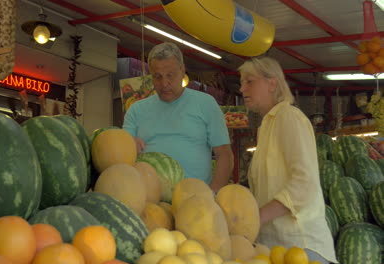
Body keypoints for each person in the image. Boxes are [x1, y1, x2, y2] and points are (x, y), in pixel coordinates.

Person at [238, 57, 337, 264]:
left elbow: (304, 183)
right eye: (242, 82)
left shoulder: (289, 118)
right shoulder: (266, 126)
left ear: (272, 83)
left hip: (301, 246)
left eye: (249, 81)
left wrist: (256, 218)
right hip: (276, 247)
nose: (241, 88)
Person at [123, 42, 233, 192]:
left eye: (170, 75)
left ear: (182, 71)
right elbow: (121, 154)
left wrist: (212, 194)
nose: (164, 83)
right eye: (157, 77)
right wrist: (129, 145)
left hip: (196, 199)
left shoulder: (206, 104)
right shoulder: (136, 110)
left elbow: (224, 155)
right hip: (150, 201)